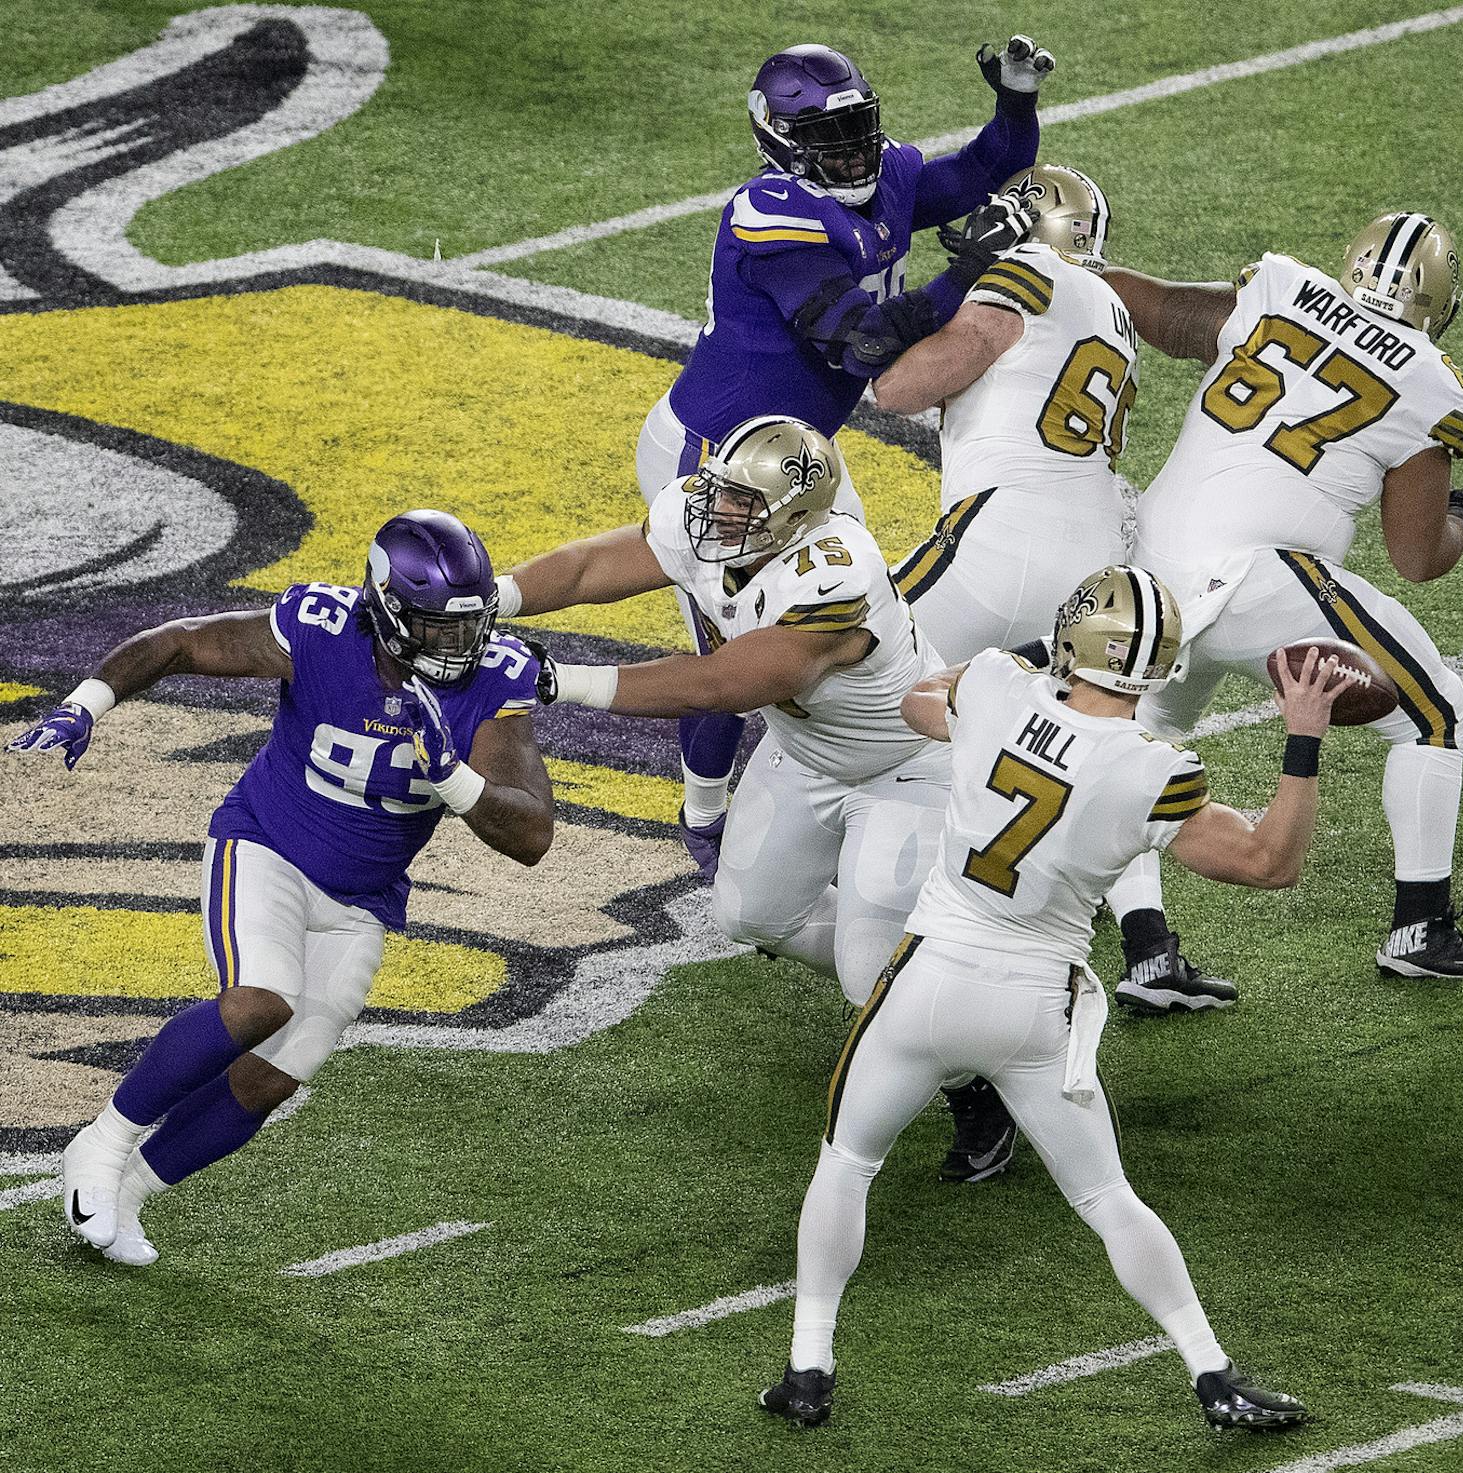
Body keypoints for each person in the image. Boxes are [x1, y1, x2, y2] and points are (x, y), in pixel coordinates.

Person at [758, 566, 1347, 1429]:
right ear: (1160, 664)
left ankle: (809, 1367)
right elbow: (1271, 861)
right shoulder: (1157, 769)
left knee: (847, 1163)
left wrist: (1027, 676)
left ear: (1073, 636)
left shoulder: (997, 683)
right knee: (1108, 1199)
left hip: (929, 974)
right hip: (1035, 1004)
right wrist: (1304, 739)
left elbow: (918, 705)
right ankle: (1212, 1373)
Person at [492, 38, 1052, 872]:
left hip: (800, 458)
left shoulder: (882, 178)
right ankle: (705, 815)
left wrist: (1015, 103)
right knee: (731, 653)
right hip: (715, 456)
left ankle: (873, 771)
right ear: (780, 145)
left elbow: (980, 170)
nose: (856, 152)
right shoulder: (770, 217)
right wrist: (969, 266)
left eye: (859, 129)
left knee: (861, 613)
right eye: (831, 141)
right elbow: (858, 344)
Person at [12, 511, 552, 1264]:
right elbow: (180, 641)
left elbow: (531, 835)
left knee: (271, 1078)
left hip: (362, 901)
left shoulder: (497, 677)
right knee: (261, 999)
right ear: (388, 612)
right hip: (265, 845)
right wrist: (87, 703)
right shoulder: (323, 629)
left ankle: (129, 1192)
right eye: (438, 627)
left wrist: (454, 777)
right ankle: (101, 1142)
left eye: (470, 625)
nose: (460, 645)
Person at [508, 417, 1014, 1179]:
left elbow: (721, 684)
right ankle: (943, 969)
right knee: (751, 914)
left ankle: (980, 1071)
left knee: (864, 967)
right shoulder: (713, 513)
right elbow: (585, 569)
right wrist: (495, 598)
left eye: (742, 503)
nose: (715, 511)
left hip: (906, 767)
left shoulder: (838, 571)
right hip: (805, 753)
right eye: (720, 491)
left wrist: (559, 681)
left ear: (795, 517)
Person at [1101, 211, 1463, 1003]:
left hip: (1149, 565)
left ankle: (1148, 950)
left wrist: (1072, 278)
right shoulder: (1431, 382)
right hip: (1254, 582)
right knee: (1438, 711)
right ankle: (1420, 927)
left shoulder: (1284, 290)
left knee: (1135, 736)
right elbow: (1416, 556)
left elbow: (1158, 310)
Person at [877, 162, 1135, 661]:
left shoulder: (1029, 269)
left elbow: (900, 391)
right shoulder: (1115, 311)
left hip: (1003, 539)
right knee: (983, 724)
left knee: (834, 663)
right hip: (1094, 567)